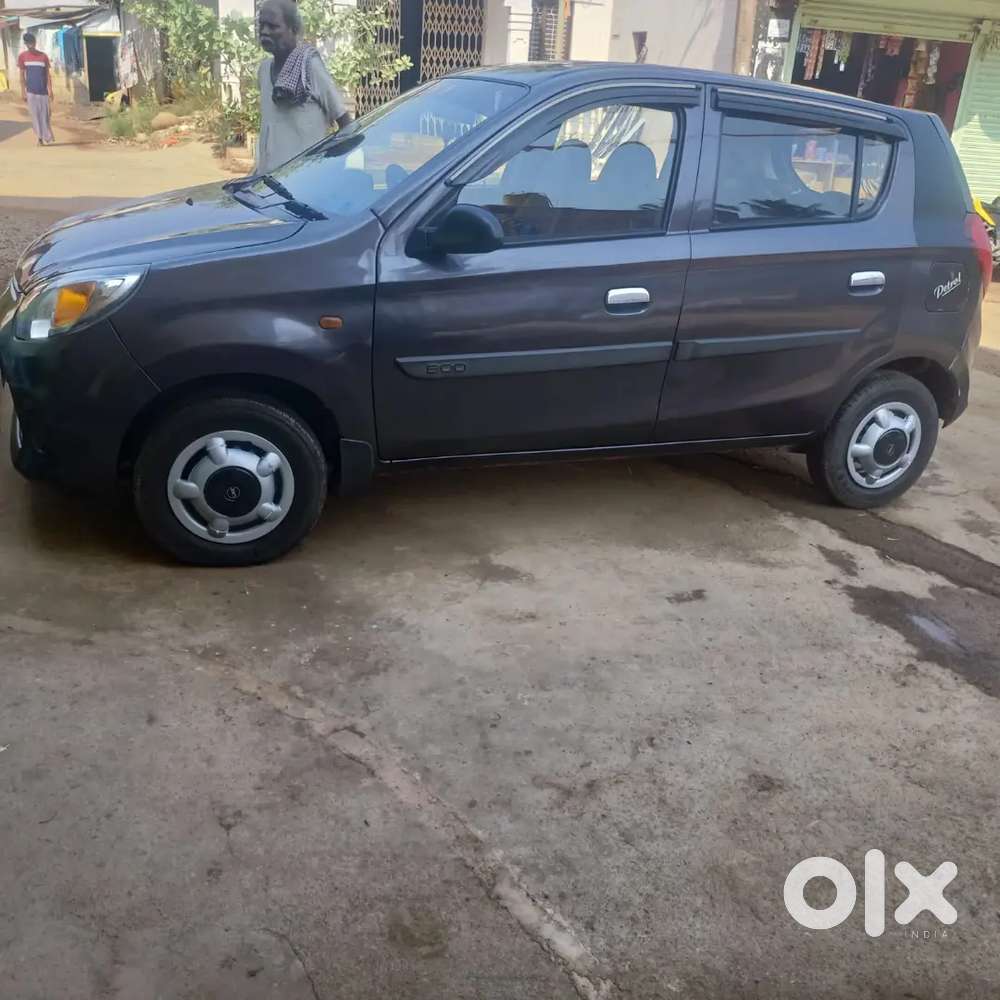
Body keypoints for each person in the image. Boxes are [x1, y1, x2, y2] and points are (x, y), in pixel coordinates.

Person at [255, 0, 352, 174]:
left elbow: (346, 125)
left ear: (293, 29)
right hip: (267, 185)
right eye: (261, 25)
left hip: (303, 184)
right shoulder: (263, 70)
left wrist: (325, 168)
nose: (264, 31)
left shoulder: (310, 67)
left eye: (273, 26)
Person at [18, 33, 55, 146]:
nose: (30, 45)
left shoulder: (43, 56)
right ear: (25, 44)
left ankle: (47, 136)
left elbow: (47, 74)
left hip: (43, 92)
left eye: (31, 42)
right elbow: (21, 76)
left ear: (35, 42)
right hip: (31, 92)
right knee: (35, 116)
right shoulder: (23, 56)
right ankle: (39, 138)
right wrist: (23, 92)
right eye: (28, 43)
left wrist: (50, 90)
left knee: (45, 115)